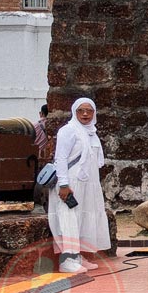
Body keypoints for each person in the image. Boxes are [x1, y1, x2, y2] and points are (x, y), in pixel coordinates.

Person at [49, 98, 112, 274]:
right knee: (69, 218)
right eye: (81, 110)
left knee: (83, 218)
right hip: (71, 182)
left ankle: (77, 256)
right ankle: (67, 259)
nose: (85, 114)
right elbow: (61, 158)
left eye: (89, 110)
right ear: (74, 112)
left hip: (87, 184)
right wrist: (63, 184)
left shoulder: (91, 132)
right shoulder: (68, 131)